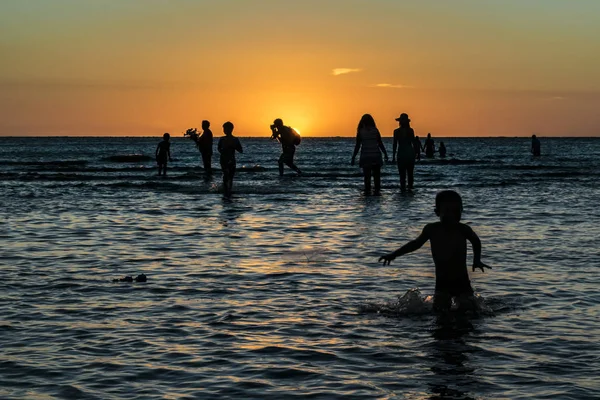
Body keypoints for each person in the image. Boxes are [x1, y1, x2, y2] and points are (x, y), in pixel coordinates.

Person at [378, 190, 491, 312]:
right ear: (437, 212)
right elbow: (415, 244)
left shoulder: (463, 229)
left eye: (457, 211)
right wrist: (394, 254)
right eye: (448, 211)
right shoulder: (432, 229)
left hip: (461, 279)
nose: (453, 215)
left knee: (467, 310)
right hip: (442, 281)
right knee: (440, 311)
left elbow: (476, 241)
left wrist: (477, 259)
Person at [351, 114, 389, 195]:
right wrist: (385, 153)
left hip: (366, 156)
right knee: (377, 178)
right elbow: (380, 143)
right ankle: (377, 193)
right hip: (376, 155)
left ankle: (367, 193)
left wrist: (353, 157)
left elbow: (358, 146)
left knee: (367, 178)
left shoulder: (361, 132)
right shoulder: (375, 130)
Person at [218, 121, 243, 197]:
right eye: (224, 128)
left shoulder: (235, 139)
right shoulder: (222, 139)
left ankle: (229, 189)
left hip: (232, 159)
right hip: (223, 159)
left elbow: (241, 150)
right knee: (225, 174)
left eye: (226, 128)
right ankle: (225, 189)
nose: (225, 130)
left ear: (231, 129)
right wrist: (223, 150)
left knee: (231, 176)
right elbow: (218, 148)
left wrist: (233, 146)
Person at [392, 113, 416, 191]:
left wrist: (393, 156)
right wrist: (416, 153)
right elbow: (414, 143)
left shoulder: (396, 131)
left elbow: (395, 144)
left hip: (401, 153)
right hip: (409, 153)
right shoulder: (410, 130)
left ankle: (404, 189)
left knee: (402, 175)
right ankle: (410, 188)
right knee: (410, 174)